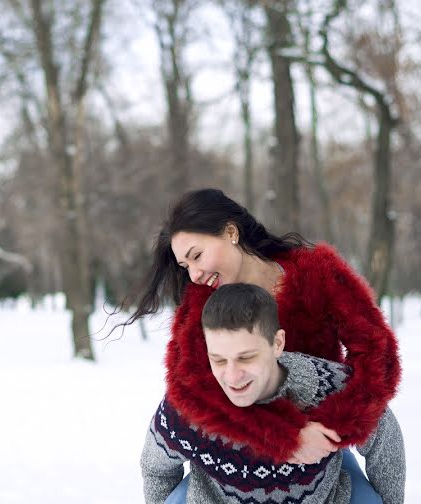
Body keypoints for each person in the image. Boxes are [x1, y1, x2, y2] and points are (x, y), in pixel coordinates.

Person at [123, 188, 401, 500]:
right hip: (231, 459)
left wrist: (331, 430)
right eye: (185, 266)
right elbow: (191, 391)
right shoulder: (200, 306)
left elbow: (378, 355)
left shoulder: (317, 274)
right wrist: (288, 439)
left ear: (230, 231)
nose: (196, 274)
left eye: (197, 256)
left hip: (319, 450)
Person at [140, 283, 405, 504]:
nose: (232, 376)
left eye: (246, 357)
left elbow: (384, 434)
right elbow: (156, 468)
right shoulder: (188, 407)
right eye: (218, 360)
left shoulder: (328, 388)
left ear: (277, 343)